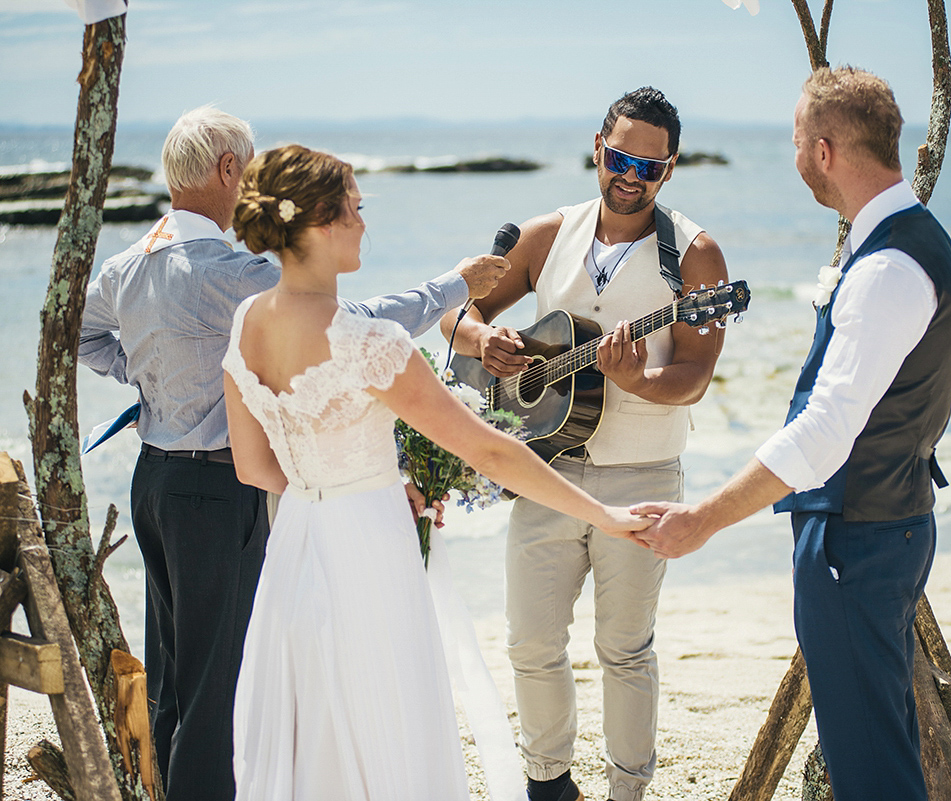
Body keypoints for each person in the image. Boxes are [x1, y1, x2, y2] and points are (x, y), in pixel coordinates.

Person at [77, 106, 508, 801]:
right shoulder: (227, 272)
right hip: (216, 493)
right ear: (228, 171)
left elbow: (83, 336)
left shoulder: (128, 264)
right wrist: (454, 286)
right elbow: (354, 328)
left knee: (174, 676)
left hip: (152, 482)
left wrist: (149, 374)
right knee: (218, 687)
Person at [221, 143, 648, 799]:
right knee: (385, 717)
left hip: (296, 542)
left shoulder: (246, 323)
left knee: (314, 726)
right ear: (322, 223)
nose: (365, 222)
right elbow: (492, 449)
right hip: (368, 547)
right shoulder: (369, 342)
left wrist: (333, 486)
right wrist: (607, 515)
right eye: (357, 209)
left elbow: (253, 466)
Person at [631, 67, 951, 801]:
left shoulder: (888, 267)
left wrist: (704, 519)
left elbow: (825, 434)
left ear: (822, 152)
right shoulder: (904, 241)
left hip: (858, 537)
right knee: (879, 745)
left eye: (792, 142)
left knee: (870, 766)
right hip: (884, 524)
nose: (791, 157)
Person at [440, 86, 729, 801]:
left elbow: (693, 377)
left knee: (624, 648)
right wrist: (489, 340)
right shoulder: (548, 234)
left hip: (643, 474)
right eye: (621, 157)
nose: (631, 176)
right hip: (545, 466)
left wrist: (641, 379)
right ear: (598, 148)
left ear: (671, 170)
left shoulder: (694, 255)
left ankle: (627, 791)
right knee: (530, 642)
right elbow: (453, 309)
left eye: (650, 167)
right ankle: (549, 785)